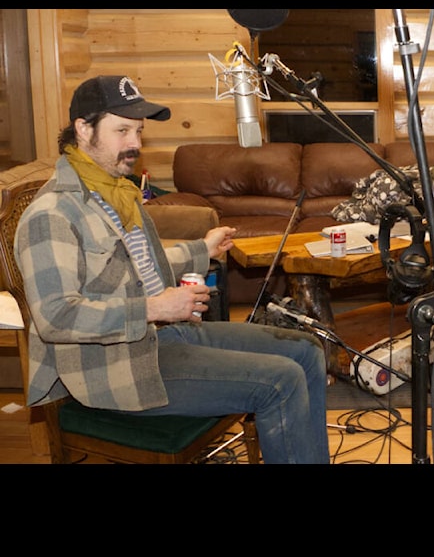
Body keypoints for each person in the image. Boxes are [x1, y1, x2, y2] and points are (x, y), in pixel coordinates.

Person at [15, 75, 330, 464]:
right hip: (115, 366)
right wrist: (154, 308)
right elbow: (57, 317)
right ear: (83, 129)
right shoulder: (52, 214)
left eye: (139, 131)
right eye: (122, 130)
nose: (135, 143)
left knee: (307, 350)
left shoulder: (116, 192)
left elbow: (138, 266)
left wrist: (203, 250)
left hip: (160, 338)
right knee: (280, 381)